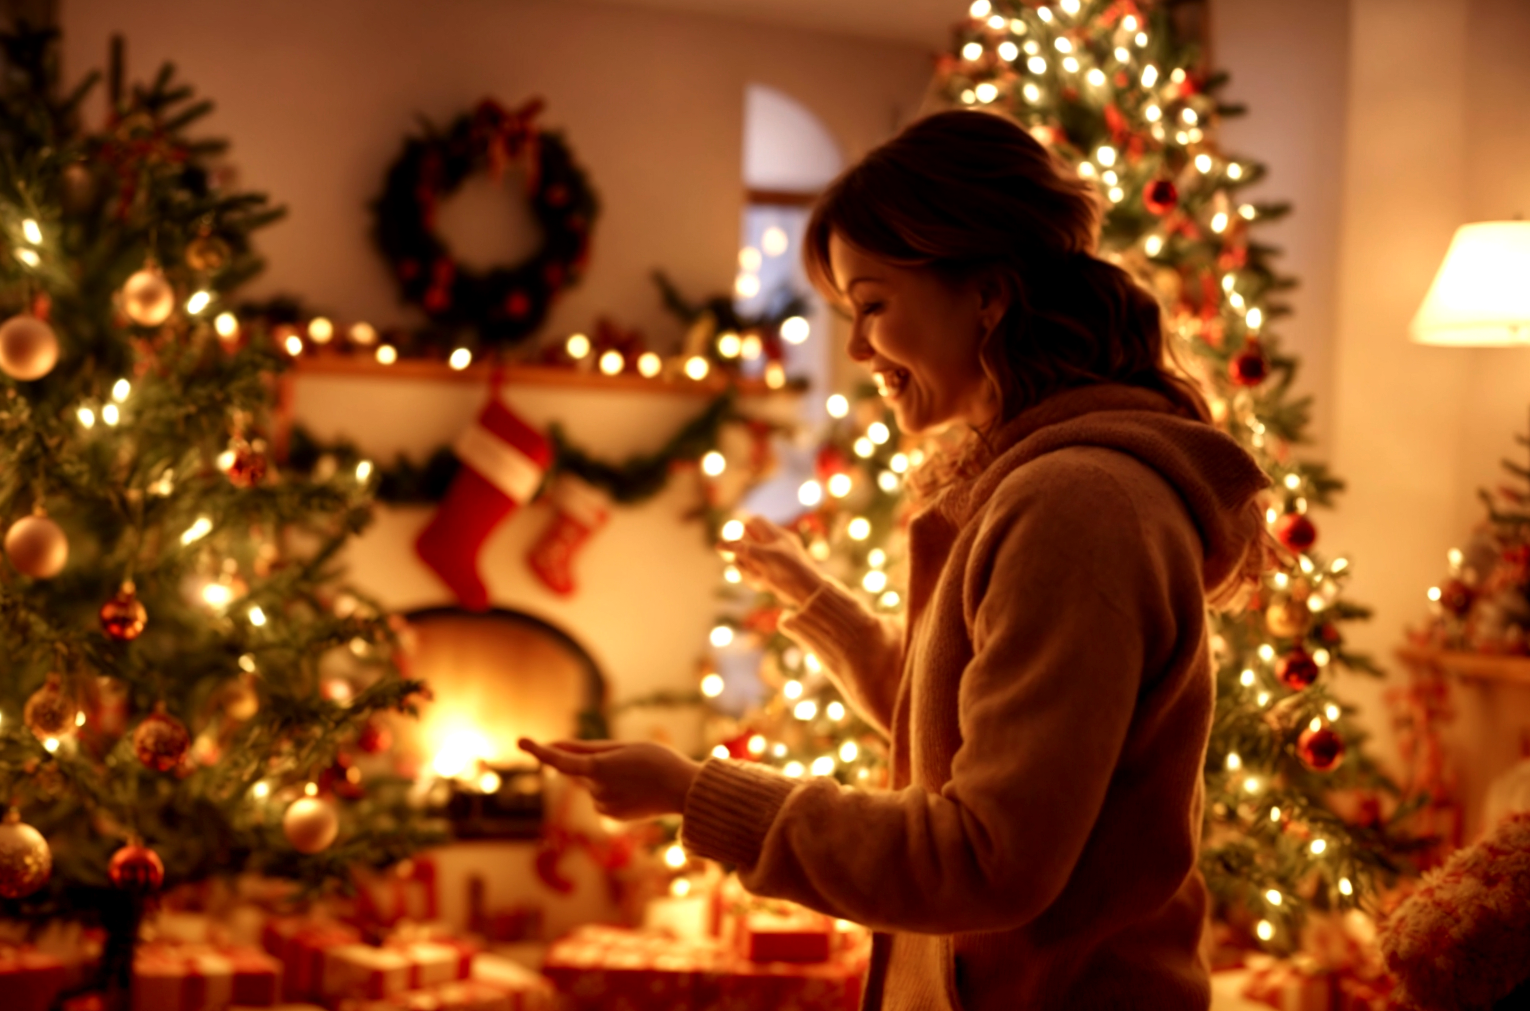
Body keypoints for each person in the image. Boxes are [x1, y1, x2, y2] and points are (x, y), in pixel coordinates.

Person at [520, 109, 1271, 1010]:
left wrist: (695, 794)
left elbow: (986, 856)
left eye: (873, 305)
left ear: (988, 296)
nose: (858, 349)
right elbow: (960, 732)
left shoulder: (1077, 506)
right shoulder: (1038, 484)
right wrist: (817, 602)